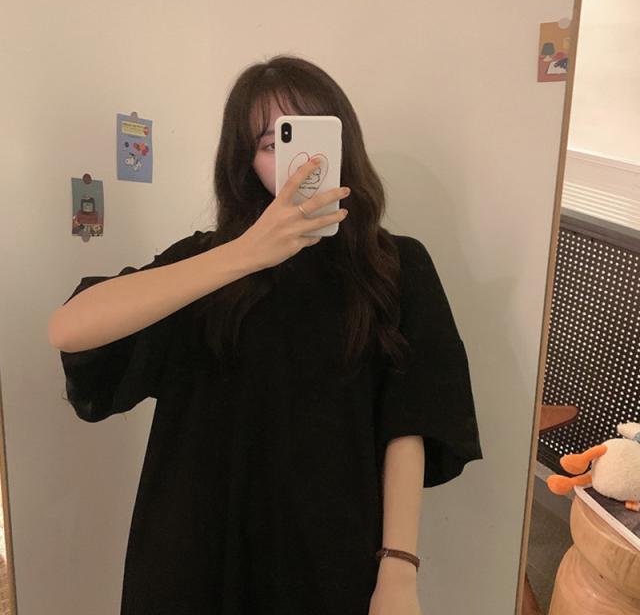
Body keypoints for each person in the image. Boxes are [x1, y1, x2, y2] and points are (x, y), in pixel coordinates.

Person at [49, 55, 484, 615]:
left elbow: (410, 421)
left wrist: (399, 571)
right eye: (269, 142)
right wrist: (245, 253)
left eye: (303, 132)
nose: (293, 159)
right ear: (245, 162)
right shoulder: (208, 264)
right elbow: (70, 328)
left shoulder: (395, 267)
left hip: (328, 555)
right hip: (194, 557)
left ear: (342, 141)